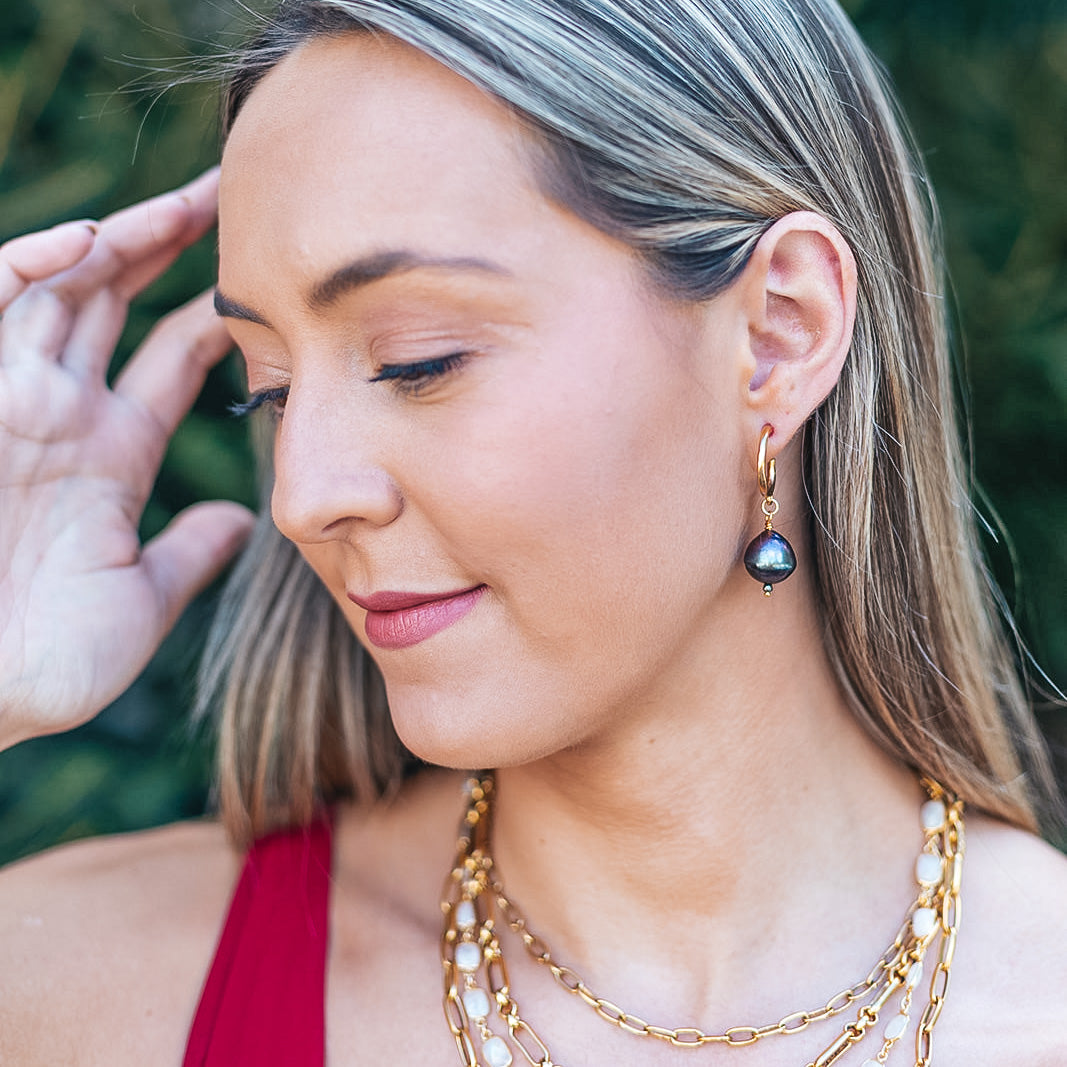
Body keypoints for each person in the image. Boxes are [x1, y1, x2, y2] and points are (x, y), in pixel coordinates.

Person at [0, 0, 1064, 1063]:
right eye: (270, 390)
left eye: (421, 358)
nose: (302, 495)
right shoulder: (80, 988)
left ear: (779, 334)